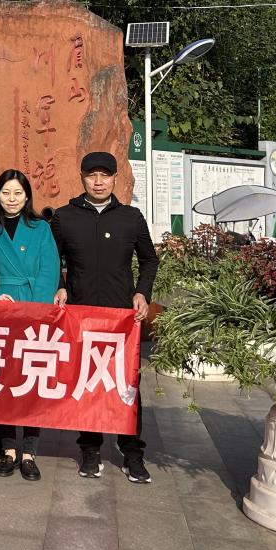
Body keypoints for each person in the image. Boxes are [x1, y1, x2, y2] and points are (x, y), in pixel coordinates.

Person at [51, 151, 158, 483]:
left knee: (127, 385)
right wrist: (60, 286)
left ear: (114, 179)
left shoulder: (131, 218)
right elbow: (51, 259)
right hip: (81, 315)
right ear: (82, 178)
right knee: (87, 382)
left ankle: (132, 452)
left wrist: (142, 293)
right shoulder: (65, 217)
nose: (98, 182)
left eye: (105, 175)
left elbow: (149, 260)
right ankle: (90, 448)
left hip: (121, 318)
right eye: (92, 175)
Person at [0, 169, 60, 482]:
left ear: (27, 196)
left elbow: (49, 270)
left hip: (32, 309)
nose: (11, 199)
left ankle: (29, 450)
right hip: (0, 311)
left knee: (31, 380)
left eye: (17, 193)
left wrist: (35, 310)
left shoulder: (40, 228)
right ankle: (8, 447)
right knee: (2, 380)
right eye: (6, 193)